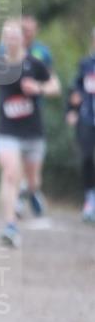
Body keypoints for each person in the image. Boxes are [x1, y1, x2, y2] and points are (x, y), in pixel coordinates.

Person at [0, 19, 61, 248]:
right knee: (11, 173)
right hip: (7, 130)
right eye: (7, 36)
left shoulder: (34, 63)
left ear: (23, 39)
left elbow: (55, 87)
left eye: (15, 36)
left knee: (32, 180)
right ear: (3, 40)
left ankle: (32, 192)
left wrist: (39, 88)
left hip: (33, 131)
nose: (12, 40)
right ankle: (10, 226)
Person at [66, 27, 95, 223]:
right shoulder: (85, 64)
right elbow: (74, 88)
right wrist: (71, 109)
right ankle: (90, 198)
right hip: (86, 119)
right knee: (86, 158)